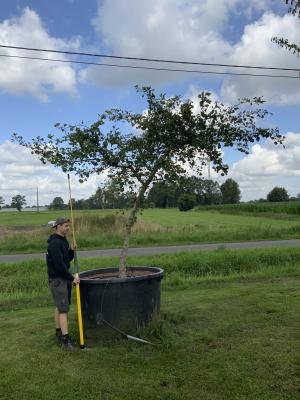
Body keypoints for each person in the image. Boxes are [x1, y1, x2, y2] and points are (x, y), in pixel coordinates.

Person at [46, 217, 80, 351]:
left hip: (63, 278)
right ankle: (66, 341)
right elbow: (60, 266)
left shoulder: (63, 241)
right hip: (58, 279)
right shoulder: (54, 244)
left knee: (60, 307)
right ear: (58, 226)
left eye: (68, 226)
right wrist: (72, 278)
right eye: (66, 226)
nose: (68, 228)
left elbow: (66, 260)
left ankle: (58, 332)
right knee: (63, 309)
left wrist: (71, 249)